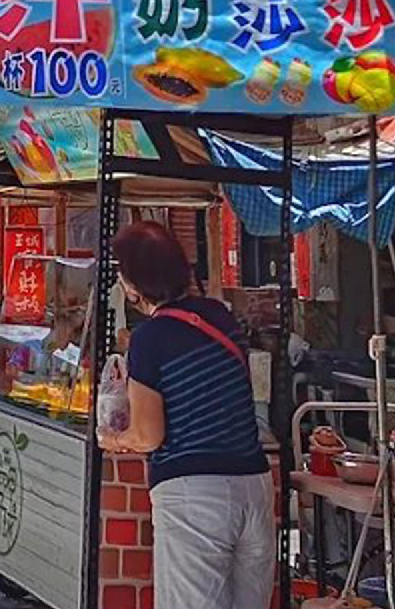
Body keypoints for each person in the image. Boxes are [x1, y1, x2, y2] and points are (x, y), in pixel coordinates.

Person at [97, 221, 271, 609]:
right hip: (253, 487)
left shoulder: (150, 338)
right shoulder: (220, 316)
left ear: (135, 284)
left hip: (195, 495)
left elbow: (147, 435)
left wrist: (113, 439)